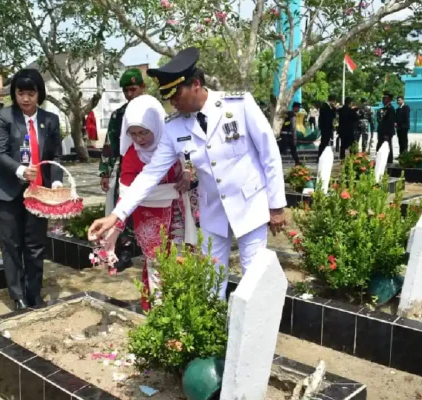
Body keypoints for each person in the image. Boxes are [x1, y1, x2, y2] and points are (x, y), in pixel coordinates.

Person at [87, 47, 287, 299]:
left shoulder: (239, 105)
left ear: (195, 84)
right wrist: (116, 215)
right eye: (167, 96)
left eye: (176, 94)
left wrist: (276, 206)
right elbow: (149, 175)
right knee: (212, 280)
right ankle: (216, 333)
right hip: (213, 209)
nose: (172, 102)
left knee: (253, 277)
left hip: (249, 205)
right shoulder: (174, 127)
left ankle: (253, 337)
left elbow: (269, 153)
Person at [100, 95, 197, 311]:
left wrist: (188, 172)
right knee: (156, 261)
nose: (140, 139)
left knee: (180, 257)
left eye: (144, 132)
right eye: (133, 134)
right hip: (148, 214)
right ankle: (158, 312)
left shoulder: (170, 142)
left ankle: (181, 308)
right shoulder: (132, 156)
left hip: (177, 211)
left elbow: (191, 158)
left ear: (157, 126)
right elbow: (126, 195)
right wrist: (112, 235)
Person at [0, 68, 64, 310]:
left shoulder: (50, 120)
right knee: (12, 245)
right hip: (8, 191)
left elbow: (55, 156)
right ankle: (18, 295)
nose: (26, 99)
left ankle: (34, 293)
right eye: (21, 93)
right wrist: (20, 171)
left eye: (31, 93)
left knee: (35, 244)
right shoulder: (4, 117)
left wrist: (56, 181)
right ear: (14, 93)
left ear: (39, 94)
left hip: (38, 193)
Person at [98, 68, 146, 269]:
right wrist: (105, 172)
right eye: (126, 90)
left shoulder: (153, 110)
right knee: (123, 209)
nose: (129, 94)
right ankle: (125, 251)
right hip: (127, 170)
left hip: (153, 169)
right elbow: (110, 145)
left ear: (143, 88)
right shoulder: (119, 115)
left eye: (133, 89)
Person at [377, 92, 396, 164]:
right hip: (381, 131)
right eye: (383, 98)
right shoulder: (384, 108)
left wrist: (387, 134)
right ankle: (381, 160)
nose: (383, 100)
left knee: (387, 147)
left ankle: (389, 161)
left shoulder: (390, 109)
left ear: (389, 100)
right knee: (380, 146)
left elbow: (390, 123)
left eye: (385, 98)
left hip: (386, 132)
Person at [318, 95, 337, 159]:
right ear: (332, 101)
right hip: (325, 127)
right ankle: (320, 156)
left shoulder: (327, 107)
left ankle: (322, 156)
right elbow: (331, 115)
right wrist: (334, 108)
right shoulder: (325, 106)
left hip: (327, 127)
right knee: (324, 142)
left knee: (325, 142)